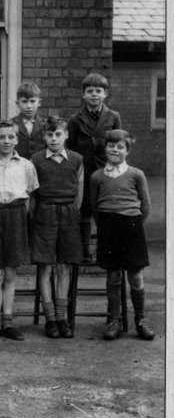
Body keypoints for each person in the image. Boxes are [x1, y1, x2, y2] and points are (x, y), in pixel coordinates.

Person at [0, 118, 39, 342]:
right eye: (1, 137)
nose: (6, 141)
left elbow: (29, 197)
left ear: (17, 139)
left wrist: (21, 219)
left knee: (10, 272)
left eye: (11, 137)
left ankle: (8, 323)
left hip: (16, 216)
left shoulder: (26, 165)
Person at [90, 128, 153, 341]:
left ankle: (141, 321)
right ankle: (114, 321)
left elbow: (146, 206)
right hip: (108, 228)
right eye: (111, 146)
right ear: (105, 148)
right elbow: (94, 207)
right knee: (114, 275)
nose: (115, 150)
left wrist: (133, 224)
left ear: (128, 150)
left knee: (135, 276)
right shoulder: (97, 176)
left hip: (132, 227)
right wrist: (107, 225)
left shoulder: (136, 174)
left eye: (120, 147)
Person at [30, 115, 84, 338]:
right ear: (44, 136)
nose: (54, 139)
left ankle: (62, 318)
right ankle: (50, 319)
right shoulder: (36, 159)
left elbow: (79, 192)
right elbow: (32, 194)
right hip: (45, 213)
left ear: (66, 135)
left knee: (64, 267)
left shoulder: (77, 159)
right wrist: (39, 215)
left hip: (68, 214)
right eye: (50, 134)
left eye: (58, 134)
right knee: (46, 267)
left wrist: (71, 212)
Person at [67, 71, 122, 261]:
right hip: (83, 173)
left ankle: (104, 251)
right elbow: (71, 148)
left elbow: (118, 145)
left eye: (98, 91)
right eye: (90, 91)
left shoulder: (113, 117)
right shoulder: (75, 119)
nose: (94, 95)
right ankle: (85, 252)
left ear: (105, 94)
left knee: (105, 211)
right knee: (84, 211)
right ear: (84, 94)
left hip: (106, 171)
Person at [12, 80, 44, 159]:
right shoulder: (11, 124)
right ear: (17, 104)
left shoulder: (45, 125)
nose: (29, 106)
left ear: (39, 103)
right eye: (24, 102)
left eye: (32, 101)